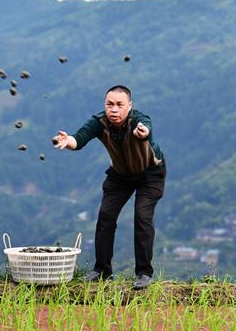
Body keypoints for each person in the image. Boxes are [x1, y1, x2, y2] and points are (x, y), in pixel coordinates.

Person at [53, 85, 166, 290]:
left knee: (142, 216)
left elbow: (146, 129)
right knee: (105, 216)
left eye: (119, 105)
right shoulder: (99, 122)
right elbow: (78, 139)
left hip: (150, 174)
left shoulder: (139, 120)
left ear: (129, 106)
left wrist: (143, 133)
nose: (114, 109)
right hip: (120, 176)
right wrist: (66, 140)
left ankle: (144, 273)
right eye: (109, 104)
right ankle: (102, 271)